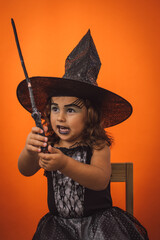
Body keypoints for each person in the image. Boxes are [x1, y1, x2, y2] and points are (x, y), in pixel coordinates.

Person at [17, 30, 149, 239]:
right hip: (58, 228)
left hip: (98, 227)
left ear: (90, 115)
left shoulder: (98, 145)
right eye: (55, 109)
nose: (60, 118)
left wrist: (64, 164)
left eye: (70, 110)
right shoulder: (49, 142)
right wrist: (29, 149)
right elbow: (25, 170)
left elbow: (99, 180)